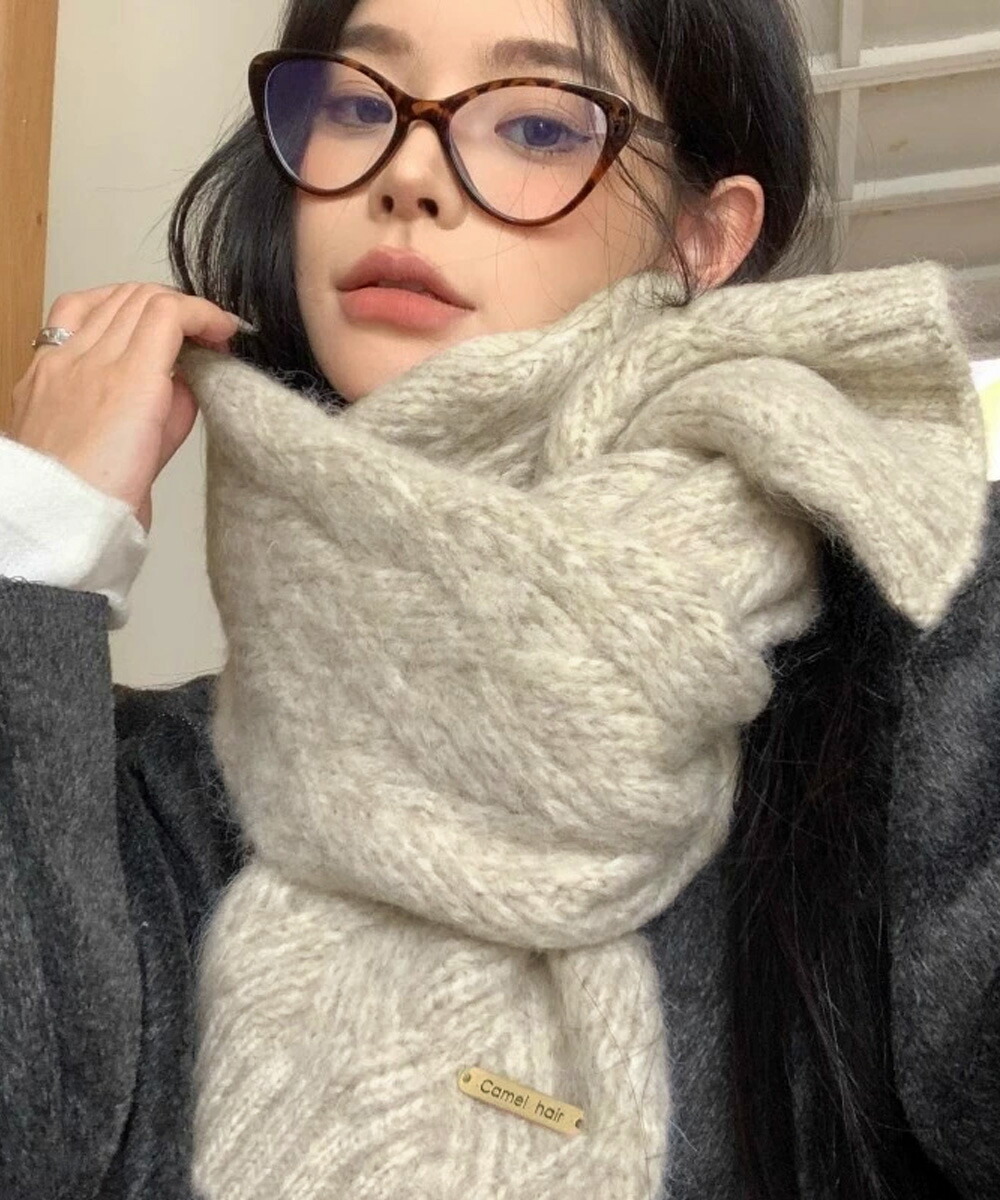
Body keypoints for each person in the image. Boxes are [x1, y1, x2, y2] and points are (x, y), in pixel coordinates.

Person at [1, 0, 997, 1197]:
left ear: (701, 235)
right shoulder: (136, 799)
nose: (409, 174)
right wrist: (37, 534)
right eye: (357, 105)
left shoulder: (920, 648)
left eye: (535, 125)